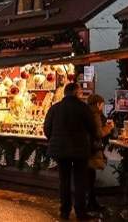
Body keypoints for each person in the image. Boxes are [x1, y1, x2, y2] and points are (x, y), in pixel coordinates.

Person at [44, 82, 98, 220]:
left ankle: (64, 211)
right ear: (76, 93)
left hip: (61, 151)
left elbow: (47, 128)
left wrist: (54, 140)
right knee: (80, 181)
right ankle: (80, 212)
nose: (81, 94)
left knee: (64, 181)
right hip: (80, 150)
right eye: (80, 92)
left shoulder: (55, 108)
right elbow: (93, 129)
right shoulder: (83, 108)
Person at [87, 94, 114, 213]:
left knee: (89, 177)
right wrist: (109, 128)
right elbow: (98, 133)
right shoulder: (95, 115)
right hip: (92, 150)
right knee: (90, 178)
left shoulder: (86, 113)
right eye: (102, 104)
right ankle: (91, 204)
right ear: (98, 104)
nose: (102, 107)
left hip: (86, 149)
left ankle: (91, 203)